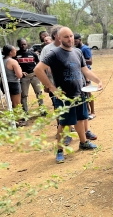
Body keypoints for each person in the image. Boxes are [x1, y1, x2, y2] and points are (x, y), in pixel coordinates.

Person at [34, 27, 103, 163]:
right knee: (64, 124)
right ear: (59, 38)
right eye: (66, 37)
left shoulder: (77, 52)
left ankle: (83, 143)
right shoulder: (54, 53)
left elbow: (85, 71)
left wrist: (98, 81)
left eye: (71, 36)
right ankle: (59, 150)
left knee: (81, 119)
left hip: (80, 92)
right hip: (65, 97)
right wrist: (52, 87)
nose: (70, 39)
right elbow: (38, 69)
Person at [14, 38, 44, 115]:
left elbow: (38, 63)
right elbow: (14, 66)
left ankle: (42, 110)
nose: (23, 46)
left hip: (34, 76)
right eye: (21, 44)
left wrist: (37, 72)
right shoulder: (16, 55)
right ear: (19, 45)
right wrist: (21, 72)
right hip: (24, 77)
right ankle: (25, 112)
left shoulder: (33, 54)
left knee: (39, 93)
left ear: (27, 44)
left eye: (24, 44)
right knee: (24, 95)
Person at [74, 33, 96, 120]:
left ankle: (93, 112)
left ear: (80, 40)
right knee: (82, 93)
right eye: (74, 42)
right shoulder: (76, 49)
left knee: (88, 92)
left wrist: (79, 60)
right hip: (78, 73)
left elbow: (90, 62)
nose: (75, 43)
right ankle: (87, 111)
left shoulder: (85, 48)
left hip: (86, 73)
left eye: (76, 41)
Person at [1, 45, 23, 109]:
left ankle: (12, 116)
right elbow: (19, 75)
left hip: (4, 83)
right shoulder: (13, 61)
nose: (16, 50)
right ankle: (18, 118)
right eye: (14, 50)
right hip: (13, 83)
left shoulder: (1, 61)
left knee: (10, 102)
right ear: (10, 52)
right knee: (16, 103)